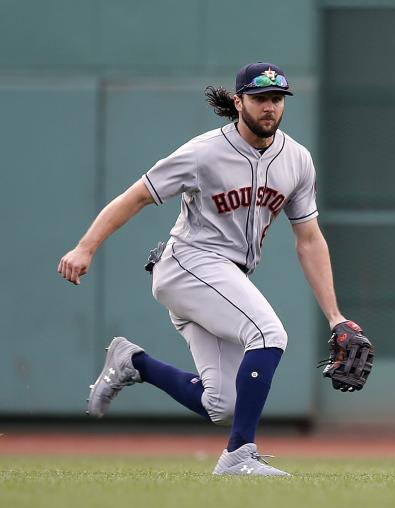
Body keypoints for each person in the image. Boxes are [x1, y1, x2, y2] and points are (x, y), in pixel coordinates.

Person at [57, 62, 368, 476]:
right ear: (238, 102)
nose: (269, 107)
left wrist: (335, 317)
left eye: (277, 99)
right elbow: (136, 196)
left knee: (221, 404)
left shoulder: (296, 160)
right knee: (268, 333)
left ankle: (133, 362)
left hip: (225, 277)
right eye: (259, 99)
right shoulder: (204, 152)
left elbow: (309, 239)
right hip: (188, 263)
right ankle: (239, 455)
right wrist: (85, 247)